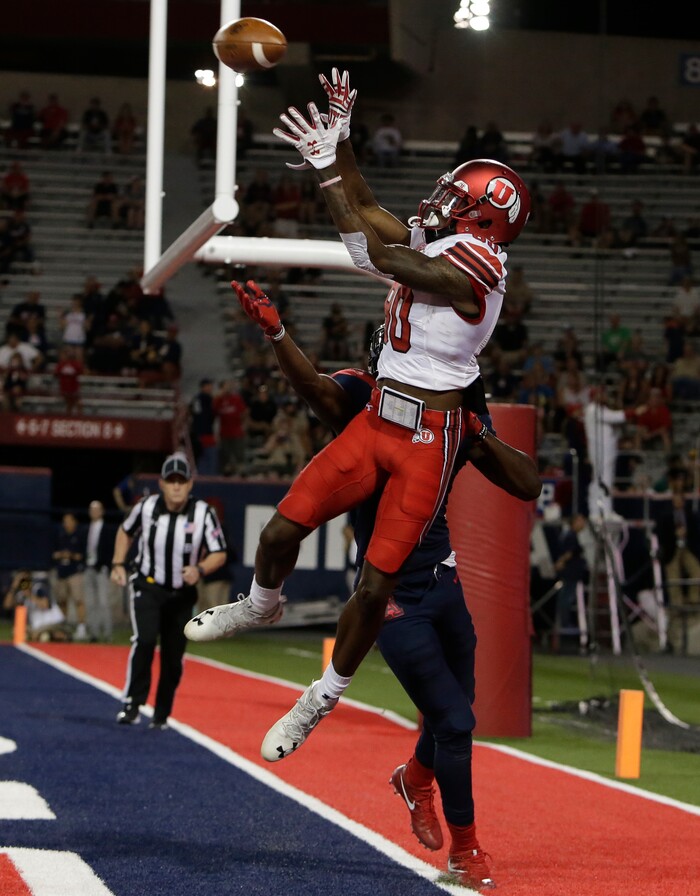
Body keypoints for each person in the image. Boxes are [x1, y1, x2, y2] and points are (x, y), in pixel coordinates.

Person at [186, 69, 531, 784]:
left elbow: (370, 251)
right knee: (279, 533)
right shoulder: (448, 246)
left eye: (459, 200)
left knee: (374, 586)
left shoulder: (482, 266)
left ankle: (320, 698)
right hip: (380, 417)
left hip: (428, 440)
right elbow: (367, 209)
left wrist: (323, 173)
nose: (443, 202)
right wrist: (340, 141)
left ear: (486, 220)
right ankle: (261, 605)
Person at [221, 279, 540, 888]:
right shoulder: (368, 401)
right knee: (456, 723)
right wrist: (278, 334)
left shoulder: (454, 415)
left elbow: (527, 483)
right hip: (391, 597)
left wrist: (475, 429)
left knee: (459, 708)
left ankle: (414, 778)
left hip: (443, 579)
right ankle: (466, 850)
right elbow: (318, 391)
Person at [110, 452, 227, 728]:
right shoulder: (146, 507)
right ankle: (132, 703)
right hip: (148, 585)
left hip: (181, 594)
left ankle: (161, 713)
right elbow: (125, 531)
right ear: (161, 483)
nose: (176, 486)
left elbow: (219, 552)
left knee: (173, 657)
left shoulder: (203, 513)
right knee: (145, 640)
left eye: (181, 481)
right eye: (171, 481)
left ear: (190, 484)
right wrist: (117, 563)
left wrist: (199, 569)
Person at [656, 475, 700, 653]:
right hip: (672, 550)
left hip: (686, 548)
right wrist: (675, 535)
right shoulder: (666, 516)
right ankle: (677, 602)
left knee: (696, 570)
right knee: (672, 573)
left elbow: (696, 533)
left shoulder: (690, 515)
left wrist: (686, 535)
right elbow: (661, 535)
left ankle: (694, 598)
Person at [3, 570, 71, 642]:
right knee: (17, 632)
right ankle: (49, 636)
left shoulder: (39, 588)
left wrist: (29, 595)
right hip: (37, 627)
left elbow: (45, 605)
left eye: (26, 580)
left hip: (52, 622)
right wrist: (13, 587)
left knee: (43, 637)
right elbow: (7, 605)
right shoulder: (21, 595)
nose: (24, 583)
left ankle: (59, 635)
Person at [83, 500, 116, 642]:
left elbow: (110, 549)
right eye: (92, 509)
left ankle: (107, 633)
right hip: (88, 567)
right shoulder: (86, 528)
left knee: (103, 602)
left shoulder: (107, 529)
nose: (94, 512)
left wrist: (107, 565)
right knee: (90, 602)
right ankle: (93, 633)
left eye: (97, 509)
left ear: (102, 511)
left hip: (101, 568)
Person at [52, 511, 87, 640]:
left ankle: (81, 628)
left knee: (78, 600)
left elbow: (82, 555)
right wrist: (61, 555)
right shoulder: (60, 535)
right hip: (62, 572)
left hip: (74, 572)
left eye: (68, 520)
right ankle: (63, 627)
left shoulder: (79, 535)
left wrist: (71, 555)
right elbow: (53, 553)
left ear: (74, 522)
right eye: (64, 521)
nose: (66, 523)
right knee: (62, 600)